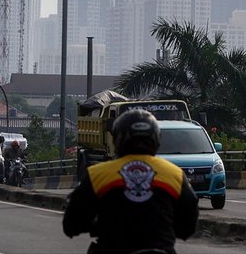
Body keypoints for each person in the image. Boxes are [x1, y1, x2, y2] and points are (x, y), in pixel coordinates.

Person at [63, 109, 198, 254]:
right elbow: (188, 224)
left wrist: (94, 226)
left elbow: (71, 223)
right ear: (156, 139)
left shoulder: (98, 174)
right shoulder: (174, 174)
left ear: (118, 139)